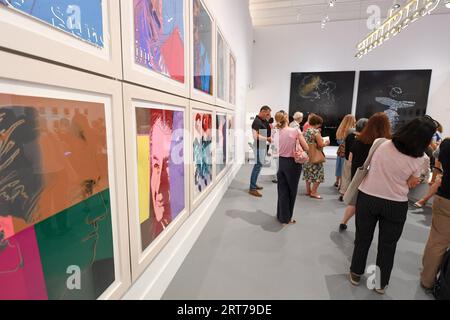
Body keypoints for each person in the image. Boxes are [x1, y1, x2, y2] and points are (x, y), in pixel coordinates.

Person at [349, 116, 436, 295]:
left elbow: (369, 165)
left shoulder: (381, 143)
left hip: (368, 197)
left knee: (362, 238)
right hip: (396, 204)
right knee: (387, 246)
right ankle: (379, 284)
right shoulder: (421, 159)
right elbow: (412, 184)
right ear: (426, 139)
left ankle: (356, 273)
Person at [339, 113, 391, 231]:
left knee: (355, 202)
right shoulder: (385, 144)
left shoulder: (358, 140)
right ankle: (361, 231)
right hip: (376, 179)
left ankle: (344, 222)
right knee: (368, 207)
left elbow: (350, 158)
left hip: (358, 175)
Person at [421, 138, 450, 290]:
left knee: (437, 241)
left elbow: (437, 159)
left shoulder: (446, 144)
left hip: (445, 197)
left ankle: (427, 279)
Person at [275, 111, 309, 225]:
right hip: (292, 164)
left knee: (282, 190)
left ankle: (281, 215)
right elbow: (306, 147)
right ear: (286, 119)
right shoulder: (295, 131)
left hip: (281, 162)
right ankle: (287, 218)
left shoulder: (276, 131)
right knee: (291, 191)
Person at [339, 118, 369, 201]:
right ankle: (352, 196)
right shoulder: (364, 139)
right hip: (358, 162)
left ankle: (343, 194)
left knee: (345, 177)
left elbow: (347, 147)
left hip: (347, 159)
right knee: (354, 179)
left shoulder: (350, 135)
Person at [303, 114, 330, 199]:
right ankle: (314, 192)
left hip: (307, 155)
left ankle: (308, 191)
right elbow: (320, 144)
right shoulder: (315, 132)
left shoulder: (306, 131)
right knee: (318, 174)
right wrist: (326, 143)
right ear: (317, 123)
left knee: (308, 173)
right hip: (315, 156)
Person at [249, 106, 272, 197]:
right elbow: (255, 136)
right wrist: (267, 138)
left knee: (259, 165)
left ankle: (254, 184)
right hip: (259, 146)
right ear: (262, 111)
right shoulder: (256, 122)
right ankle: (252, 188)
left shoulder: (263, 120)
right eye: (267, 114)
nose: (268, 116)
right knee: (257, 165)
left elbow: (266, 130)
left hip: (262, 145)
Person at [335, 115, 356, 188]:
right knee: (344, 170)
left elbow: (338, 141)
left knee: (338, 166)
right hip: (347, 153)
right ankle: (341, 185)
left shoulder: (340, 129)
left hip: (340, 151)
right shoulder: (352, 131)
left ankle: (337, 181)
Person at [271, 110, 287, 184]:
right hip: (278, 147)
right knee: (278, 164)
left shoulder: (275, 127)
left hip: (276, 147)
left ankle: (277, 177)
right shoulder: (278, 128)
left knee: (277, 163)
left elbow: (273, 139)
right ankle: (278, 177)